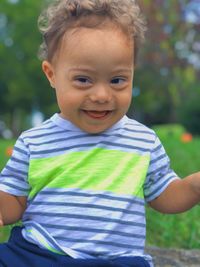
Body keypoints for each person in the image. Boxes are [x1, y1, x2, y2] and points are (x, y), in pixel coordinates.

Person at [0, 0, 200, 266]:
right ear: (52, 74)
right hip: (43, 253)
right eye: (83, 80)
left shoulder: (142, 142)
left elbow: (164, 194)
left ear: (132, 75)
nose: (102, 95)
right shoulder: (34, 142)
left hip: (116, 260)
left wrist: (193, 187)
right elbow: (14, 201)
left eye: (118, 80)